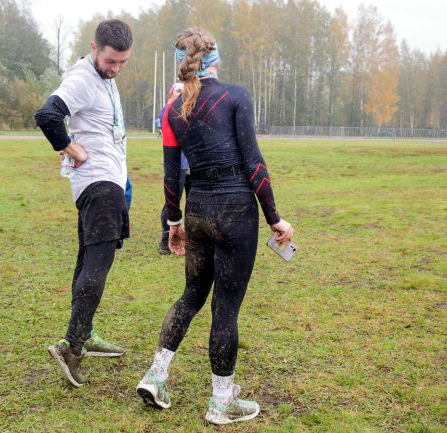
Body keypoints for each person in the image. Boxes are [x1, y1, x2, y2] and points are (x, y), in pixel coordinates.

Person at [136, 28, 294, 425]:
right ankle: (222, 401)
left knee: (191, 296)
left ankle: (156, 375)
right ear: (214, 58)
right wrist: (275, 217)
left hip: (198, 212)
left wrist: (173, 221)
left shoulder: (172, 110)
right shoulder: (236, 96)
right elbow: (254, 164)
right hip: (236, 213)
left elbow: (171, 176)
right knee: (225, 309)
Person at [34, 19, 133, 388]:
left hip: (105, 183)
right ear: (94, 48)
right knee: (98, 263)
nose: (116, 68)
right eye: (111, 60)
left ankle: (85, 333)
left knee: (87, 258)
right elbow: (47, 114)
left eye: (123, 62)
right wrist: (68, 146)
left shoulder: (104, 78)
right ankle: (72, 346)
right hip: (98, 184)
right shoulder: (81, 79)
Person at [157, 82, 190, 255]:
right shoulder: (167, 111)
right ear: (170, 94)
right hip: (178, 165)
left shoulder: (190, 109)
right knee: (172, 202)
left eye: (184, 92)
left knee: (194, 203)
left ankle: (191, 241)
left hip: (194, 164)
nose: (181, 94)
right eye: (178, 91)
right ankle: (165, 239)